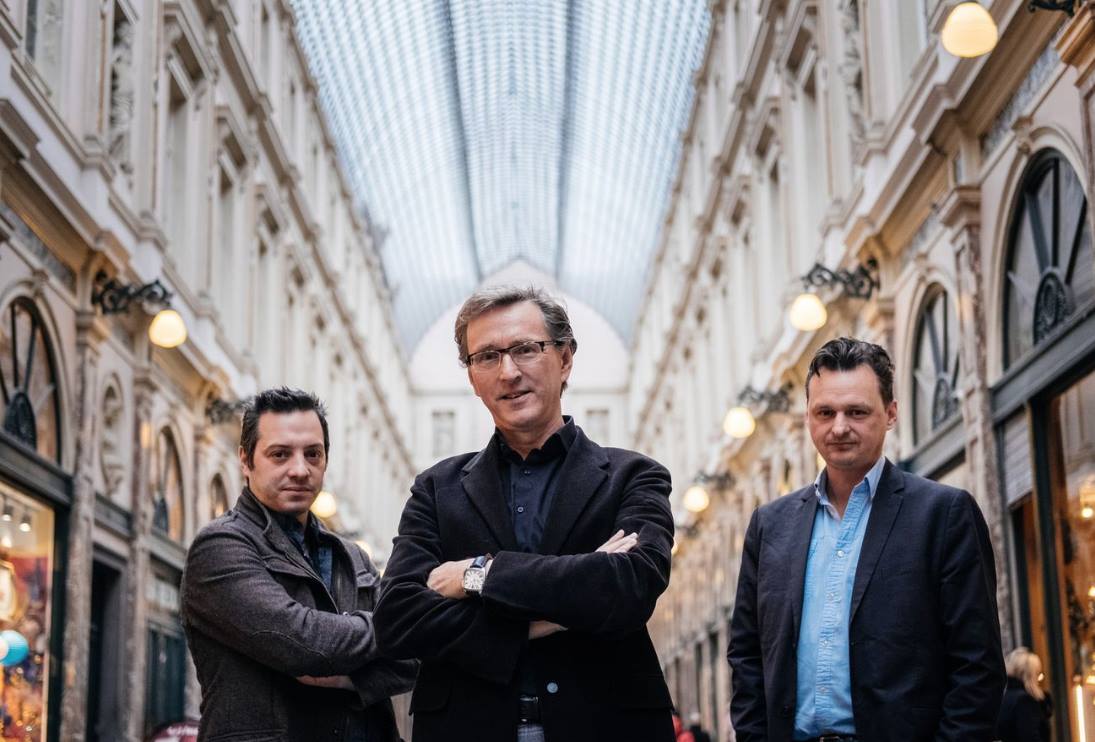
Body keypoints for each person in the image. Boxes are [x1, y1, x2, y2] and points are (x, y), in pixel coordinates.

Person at [373, 286, 676, 742]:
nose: (508, 372)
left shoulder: (634, 476)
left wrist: (478, 575)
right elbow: (398, 619)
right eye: (487, 357)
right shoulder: (436, 489)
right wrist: (561, 611)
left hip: (606, 726)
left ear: (565, 359)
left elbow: (632, 585)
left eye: (526, 349)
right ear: (472, 377)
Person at [728, 337, 1005, 741]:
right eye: (825, 412)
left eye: (856, 412)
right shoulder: (769, 526)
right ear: (808, 416)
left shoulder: (943, 514)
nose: (839, 427)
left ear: (890, 413)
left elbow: (977, 664)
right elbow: (746, 655)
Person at [181, 387, 418, 741]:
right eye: (280, 455)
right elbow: (305, 643)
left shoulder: (353, 558)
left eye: (313, 454)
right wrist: (400, 624)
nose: (300, 470)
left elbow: (414, 658)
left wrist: (349, 679)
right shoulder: (220, 547)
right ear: (246, 460)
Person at [995, 647, 1052, 742]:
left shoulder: (1005, 697)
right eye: (1037, 674)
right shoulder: (1024, 701)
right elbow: (1030, 737)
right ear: (1031, 675)